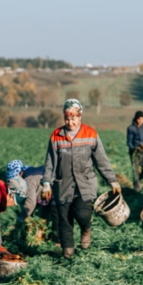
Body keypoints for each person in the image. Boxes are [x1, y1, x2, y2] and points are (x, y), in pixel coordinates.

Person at [42, 99, 121, 259]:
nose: (70, 122)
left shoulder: (90, 134)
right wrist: (46, 183)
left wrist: (112, 180)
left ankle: (86, 229)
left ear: (80, 117)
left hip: (85, 184)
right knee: (64, 221)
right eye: (67, 119)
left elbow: (101, 160)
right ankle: (68, 253)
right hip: (63, 185)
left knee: (82, 214)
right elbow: (50, 161)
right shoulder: (56, 136)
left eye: (73, 118)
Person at [6, 159, 58, 243]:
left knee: (48, 219)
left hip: (52, 195)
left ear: (19, 174)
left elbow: (30, 202)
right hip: (55, 192)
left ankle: (53, 242)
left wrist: (21, 218)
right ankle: (48, 239)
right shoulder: (32, 170)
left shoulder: (28, 180)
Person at [126, 111, 143, 191]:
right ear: (136, 119)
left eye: (142, 119)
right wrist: (134, 148)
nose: (140, 120)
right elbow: (129, 142)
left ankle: (137, 181)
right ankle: (137, 189)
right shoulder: (131, 128)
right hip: (134, 153)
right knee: (135, 171)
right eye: (138, 119)